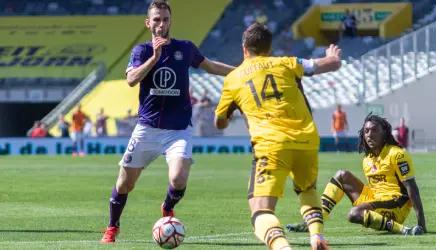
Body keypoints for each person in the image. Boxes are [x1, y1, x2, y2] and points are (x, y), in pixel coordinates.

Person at [100, 0, 235, 243]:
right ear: (148, 23)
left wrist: (242, 71)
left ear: (170, 21)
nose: (161, 24)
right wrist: (155, 57)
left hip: (178, 130)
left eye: (165, 19)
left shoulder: (186, 48)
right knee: (124, 184)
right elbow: (131, 80)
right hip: (147, 129)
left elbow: (212, 66)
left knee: (178, 179)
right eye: (156, 20)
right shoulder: (141, 51)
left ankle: (167, 206)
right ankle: (112, 227)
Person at [214, 23, 341, 250]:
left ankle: (283, 247)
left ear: (244, 47)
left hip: (271, 145)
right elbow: (332, 64)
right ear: (270, 48)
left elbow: (219, 122)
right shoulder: (287, 62)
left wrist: (236, 109)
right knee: (307, 190)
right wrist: (332, 56)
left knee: (260, 211)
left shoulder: (233, 79)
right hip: (307, 139)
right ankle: (317, 236)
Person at [286, 114, 426, 237]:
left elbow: (412, 188)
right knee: (342, 175)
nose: (369, 134)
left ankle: (404, 230)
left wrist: (421, 223)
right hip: (377, 201)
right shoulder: (367, 160)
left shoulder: (397, 154)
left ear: (384, 133)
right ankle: (314, 222)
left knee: (354, 214)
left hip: (396, 206)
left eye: (374, 130)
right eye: (366, 131)